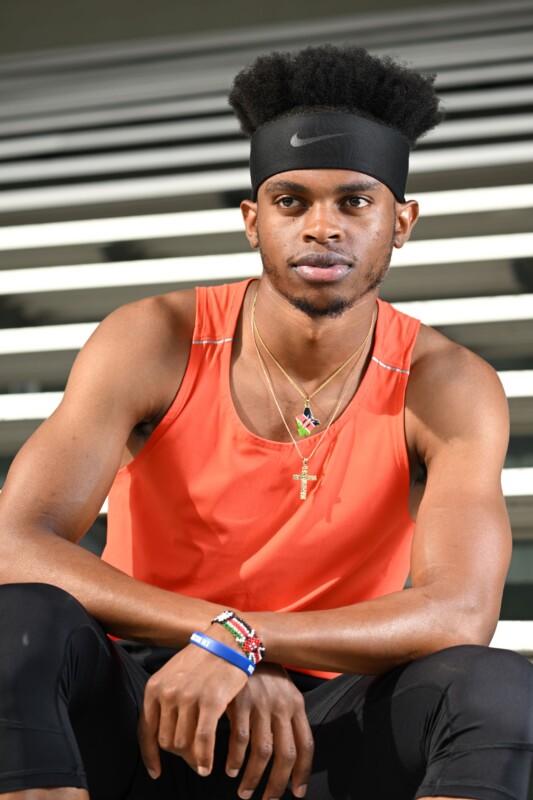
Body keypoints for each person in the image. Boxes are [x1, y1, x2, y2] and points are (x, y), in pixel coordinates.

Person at [0, 43, 532, 800]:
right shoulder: (156, 338)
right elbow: (15, 543)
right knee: (18, 621)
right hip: (144, 703)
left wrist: (246, 642)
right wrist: (215, 636)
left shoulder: (447, 383)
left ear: (401, 221)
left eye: (354, 201)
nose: (322, 227)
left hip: (318, 724)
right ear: (253, 221)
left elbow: (460, 610)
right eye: (291, 202)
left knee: (494, 687)